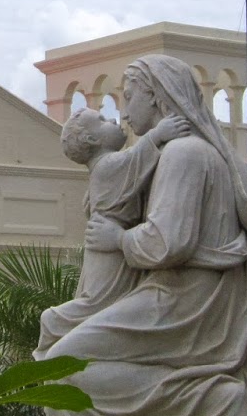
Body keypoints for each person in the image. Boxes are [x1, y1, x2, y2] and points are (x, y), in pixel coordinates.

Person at [29, 54, 247, 416]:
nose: (124, 112)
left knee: (60, 367)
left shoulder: (185, 154)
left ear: (156, 94)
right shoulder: (177, 152)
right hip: (182, 296)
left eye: (129, 97)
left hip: (187, 303)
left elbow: (168, 244)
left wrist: (118, 237)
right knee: (59, 361)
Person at [37, 106, 190, 353]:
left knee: (101, 302)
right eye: (102, 120)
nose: (113, 119)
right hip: (108, 251)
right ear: (91, 139)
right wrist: (158, 133)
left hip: (109, 246)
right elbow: (135, 159)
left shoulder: (103, 171)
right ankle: (53, 327)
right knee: (97, 302)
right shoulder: (108, 166)